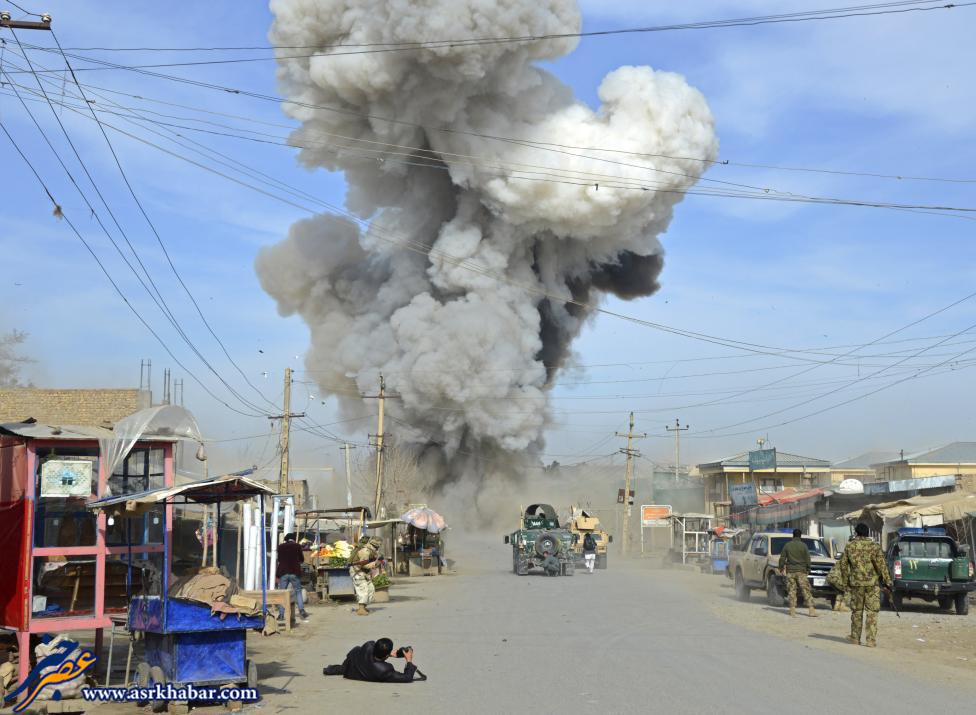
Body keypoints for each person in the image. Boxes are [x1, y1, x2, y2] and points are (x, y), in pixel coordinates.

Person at [840, 522, 892, 648]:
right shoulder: (874, 546)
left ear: (856, 533)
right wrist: (888, 581)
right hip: (872, 584)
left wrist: (845, 582)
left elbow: (843, 565)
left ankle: (855, 638)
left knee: (857, 611)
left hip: (856, 584)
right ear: (868, 533)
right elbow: (882, 565)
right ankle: (870, 640)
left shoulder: (850, 546)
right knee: (872, 612)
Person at [322, 638, 419, 683]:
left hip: (351, 668)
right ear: (385, 655)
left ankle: (333, 669)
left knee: (356, 650)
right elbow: (407, 677)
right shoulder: (385, 670)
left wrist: (388, 654)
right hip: (362, 672)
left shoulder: (368, 645)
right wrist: (409, 660)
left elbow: (374, 648)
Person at [778, 528, 817, 618]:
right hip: (801, 571)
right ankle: (811, 610)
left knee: (792, 591)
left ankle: (792, 610)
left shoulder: (787, 545)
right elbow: (808, 558)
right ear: (800, 536)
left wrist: (781, 568)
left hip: (790, 571)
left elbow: (782, 558)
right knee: (806, 590)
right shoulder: (804, 546)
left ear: (793, 535)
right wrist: (808, 568)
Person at [276, 533, 309, 622]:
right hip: (294, 572)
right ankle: (302, 611)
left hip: (283, 573)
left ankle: (281, 614)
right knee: (298, 591)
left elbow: (279, 560)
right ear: (294, 539)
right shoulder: (297, 546)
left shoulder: (280, 547)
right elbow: (301, 559)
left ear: (286, 539)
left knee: (282, 593)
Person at [350, 536, 382, 616]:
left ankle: (363, 607)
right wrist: (375, 564)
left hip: (364, 572)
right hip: (357, 571)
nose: (377, 548)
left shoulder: (371, 550)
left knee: (370, 589)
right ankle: (361, 609)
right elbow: (363, 564)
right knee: (363, 589)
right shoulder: (365, 551)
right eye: (376, 546)